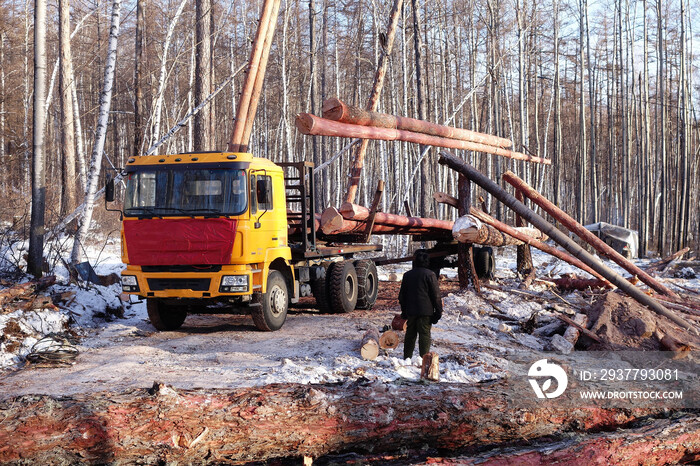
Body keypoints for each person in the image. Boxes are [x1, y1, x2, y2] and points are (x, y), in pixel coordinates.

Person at [399, 249, 443, 360]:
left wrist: (404, 311)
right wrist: (438, 313)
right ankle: (424, 360)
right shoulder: (430, 275)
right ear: (427, 262)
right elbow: (436, 296)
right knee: (424, 336)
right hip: (426, 312)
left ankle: (407, 358)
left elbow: (402, 296)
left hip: (411, 311)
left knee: (410, 335)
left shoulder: (407, 275)